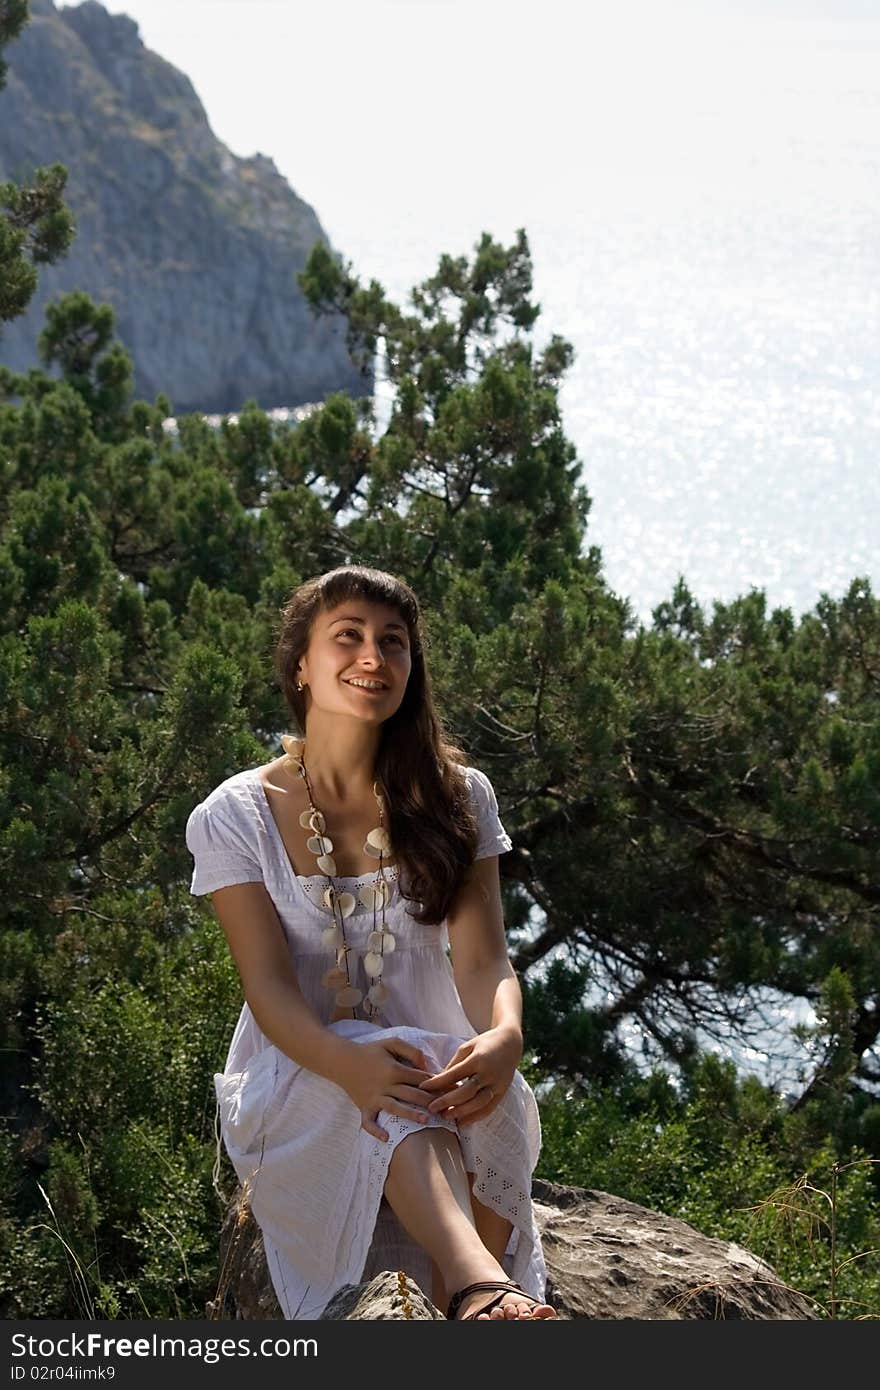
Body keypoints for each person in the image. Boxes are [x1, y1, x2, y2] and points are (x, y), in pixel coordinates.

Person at [185, 564, 557, 1321]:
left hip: (427, 1069)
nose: (373, 659)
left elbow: (485, 960)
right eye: (347, 638)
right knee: (389, 1067)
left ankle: (472, 1307)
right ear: (301, 665)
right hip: (299, 1070)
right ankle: (483, 1285)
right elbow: (270, 989)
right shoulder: (235, 815)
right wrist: (348, 1063)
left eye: (393, 643)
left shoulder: (459, 795)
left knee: (489, 1093)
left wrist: (506, 1036)